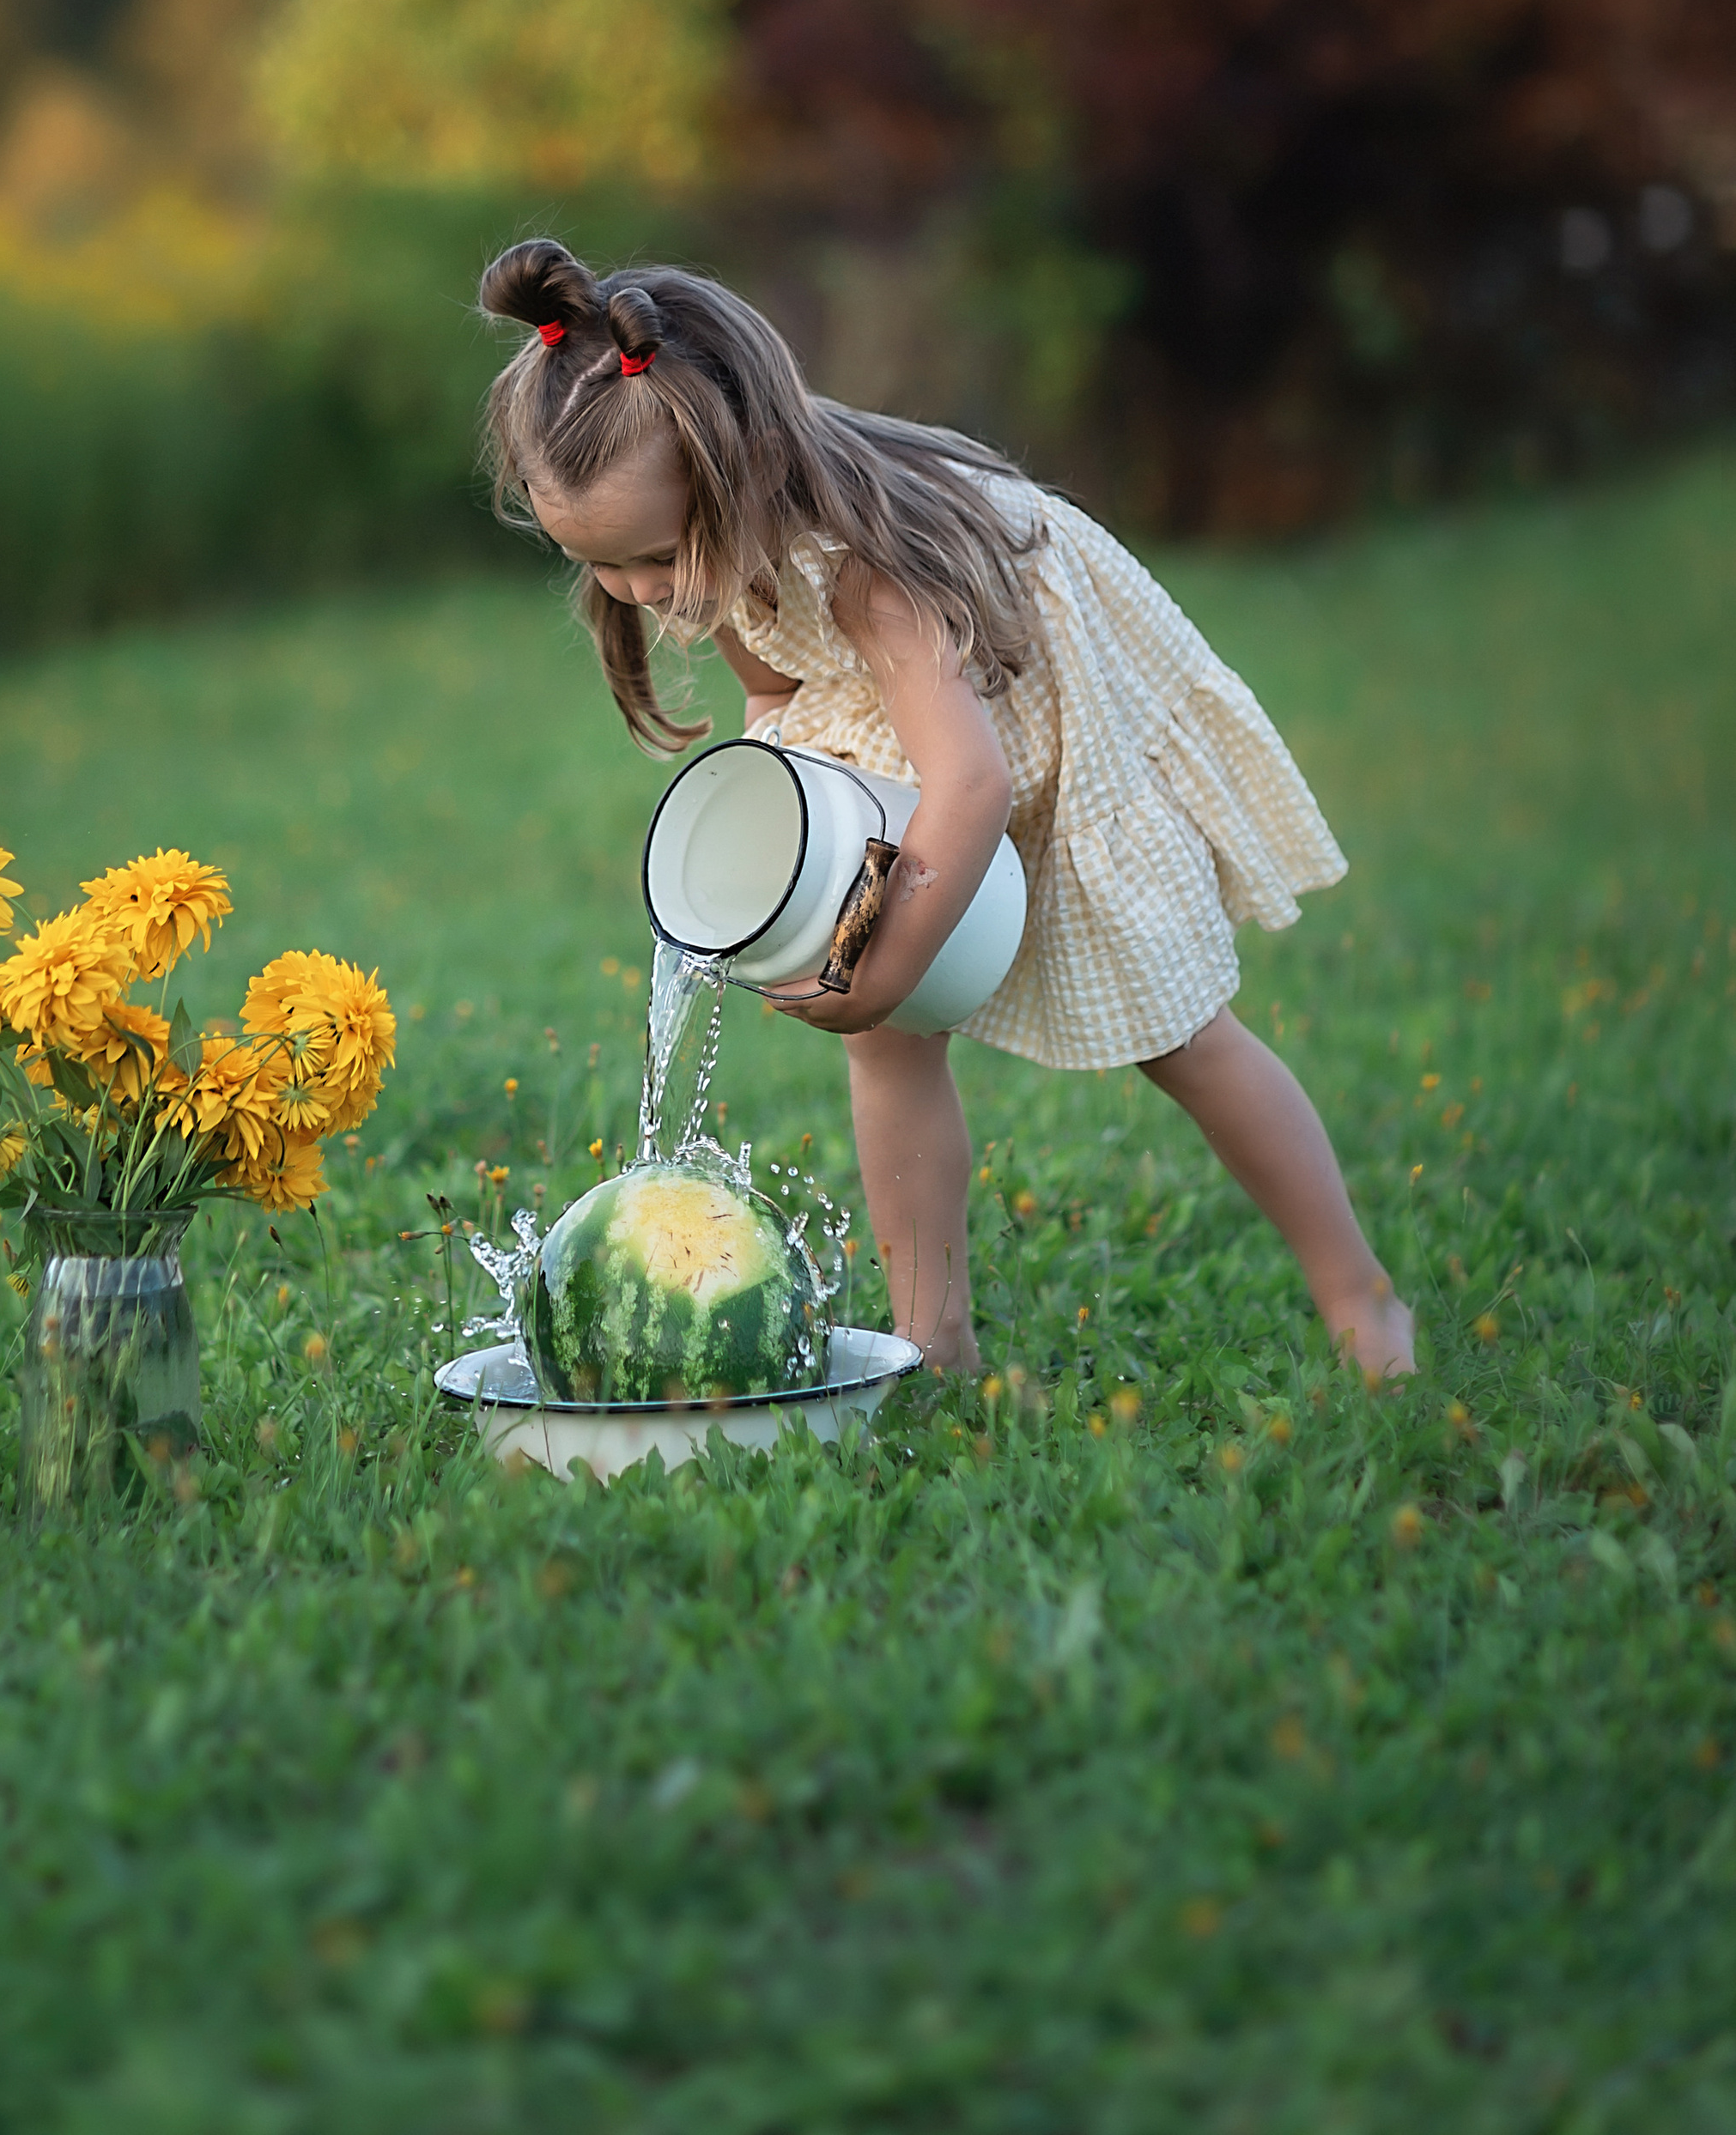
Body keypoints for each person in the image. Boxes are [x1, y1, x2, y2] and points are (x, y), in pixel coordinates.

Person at [478, 238, 1414, 1383]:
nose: (642, 592)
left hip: (1048, 706)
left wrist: (878, 959)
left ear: (747, 466)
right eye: (608, 569)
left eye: (656, 558)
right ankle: (937, 1340)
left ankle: (1360, 1296)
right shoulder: (708, 550)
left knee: (1180, 1034)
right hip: (906, 719)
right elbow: (776, 690)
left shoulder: (869, 564)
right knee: (890, 1041)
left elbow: (971, 781)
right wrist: (806, 862)